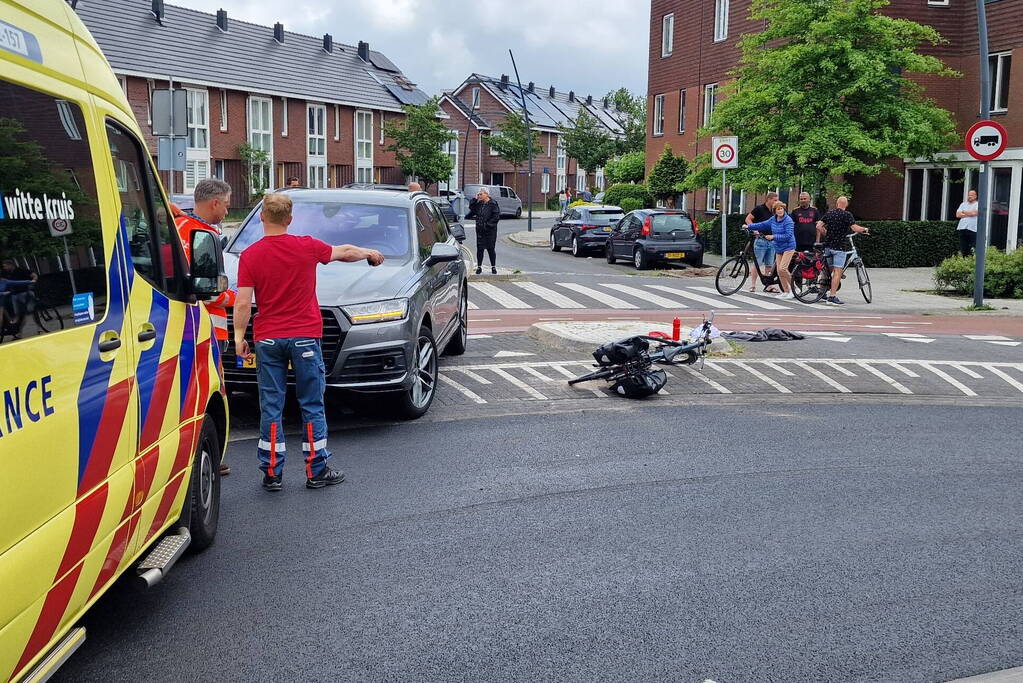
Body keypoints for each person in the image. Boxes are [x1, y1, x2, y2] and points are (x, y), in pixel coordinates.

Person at [233, 193, 384, 492]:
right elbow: (345, 251)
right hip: (304, 337)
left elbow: (242, 303)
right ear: (289, 219)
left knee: (271, 404)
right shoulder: (306, 246)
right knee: (311, 402)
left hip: (268, 338)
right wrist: (369, 252)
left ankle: (272, 472)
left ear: (262, 217)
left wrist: (239, 338)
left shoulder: (250, 255)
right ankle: (316, 470)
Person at [174, 178, 237, 475]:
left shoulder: (180, 229)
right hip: (206, 327)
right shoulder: (201, 234)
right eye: (226, 205)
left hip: (187, 326)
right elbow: (208, 289)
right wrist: (237, 298)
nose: (227, 211)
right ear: (214, 203)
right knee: (211, 394)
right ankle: (209, 453)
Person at [817, 196, 869, 306]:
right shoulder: (847, 215)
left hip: (828, 246)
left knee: (827, 270)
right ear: (846, 205)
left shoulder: (829, 213)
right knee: (837, 272)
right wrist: (864, 229)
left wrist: (827, 233)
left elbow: (819, 226)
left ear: (837, 204)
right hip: (839, 248)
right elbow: (855, 228)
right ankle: (832, 297)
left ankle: (821, 292)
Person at [748, 201, 797, 299]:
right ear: (775, 211)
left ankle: (795, 289)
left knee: (783, 269)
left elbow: (788, 236)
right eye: (778, 209)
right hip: (779, 247)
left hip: (788, 247)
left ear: (784, 209)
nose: (780, 211)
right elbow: (762, 224)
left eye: (781, 208)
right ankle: (786, 291)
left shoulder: (788, 220)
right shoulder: (773, 219)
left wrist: (773, 236)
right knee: (779, 271)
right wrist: (749, 226)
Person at [744, 191, 779, 293]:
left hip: (772, 241)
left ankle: (769, 285)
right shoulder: (759, 209)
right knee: (757, 263)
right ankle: (753, 285)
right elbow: (748, 219)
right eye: (775, 200)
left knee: (769, 264)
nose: (776, 202)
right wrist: (755, 230)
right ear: (768, 199)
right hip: (761, 240)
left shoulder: (775, 211)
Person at [467, 187, 500, 275]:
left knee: (491, 248)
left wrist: (488, 225)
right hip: (480, 230)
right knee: (480, 248)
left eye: (481, 194)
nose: (480, 195)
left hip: (490, 231)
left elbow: (496, 217)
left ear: (487, 194)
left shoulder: (493, 204)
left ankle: (493, 267)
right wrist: (475, 199)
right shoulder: (479, 204)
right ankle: (479, 267)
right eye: (479, 194)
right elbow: (471, 207)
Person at [0, 258, 37, 337]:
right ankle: (15, 328)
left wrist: (31, 282)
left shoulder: (20, 270)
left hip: (23, 293)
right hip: (13, 296)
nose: (4, 268)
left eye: (5, 266)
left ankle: (19, 329)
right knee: (17, 313)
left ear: (10, 265)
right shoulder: (6, 274)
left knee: (29, 311)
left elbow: (32, 277)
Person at [956, 189, 979, 256]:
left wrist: (963, 212)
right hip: (962, 228)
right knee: (963, 247)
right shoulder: (963, 204)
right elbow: (957, 215)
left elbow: (974, 213)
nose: (969, 196)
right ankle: (965, 261)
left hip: (973, 229)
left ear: (975, 196)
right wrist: (969, 213)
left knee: (973, 247)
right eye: (969, 195)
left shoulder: (978, 204)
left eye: (971, 195)